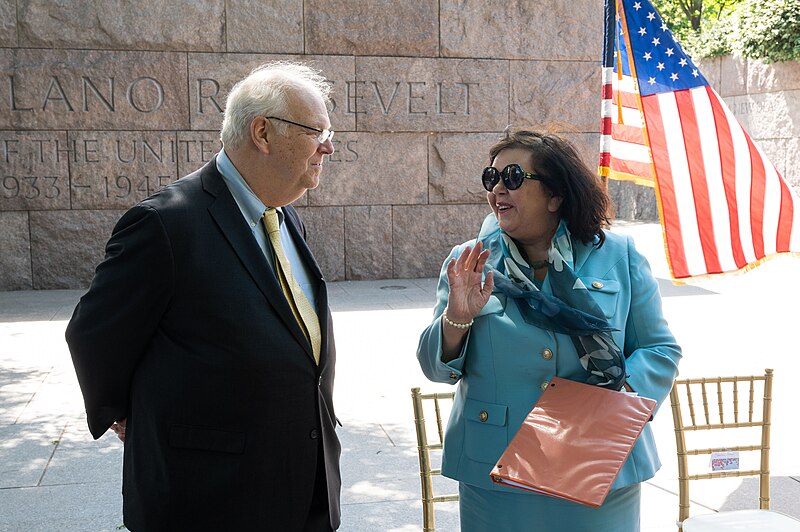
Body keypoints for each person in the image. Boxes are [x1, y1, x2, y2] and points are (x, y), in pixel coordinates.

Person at [66, 62, 341, 532]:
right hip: (208, 496)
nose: (329, 145)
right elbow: (94, 335)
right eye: (317, 131)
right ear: (263, 132)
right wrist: (130, 415)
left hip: (302, 483)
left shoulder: (286, 216)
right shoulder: (165, 223)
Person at [417, 129, 681, 531]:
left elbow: (659, 349)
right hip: (497, 470)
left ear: (556, 195)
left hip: (596, 461)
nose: (498, 189)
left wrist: (624, 398)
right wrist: (458, 316)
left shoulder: (618, 255)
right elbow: (438, 369)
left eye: (513, 177)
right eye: (492, 178)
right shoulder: (468, 262)